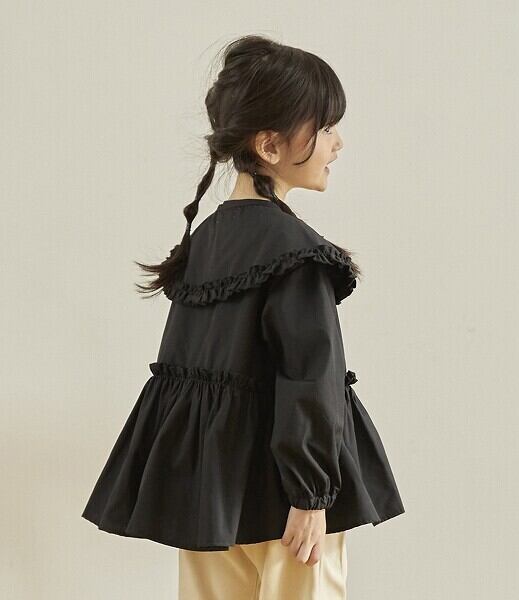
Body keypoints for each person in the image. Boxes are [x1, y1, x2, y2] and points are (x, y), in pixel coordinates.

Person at [81, 34, 405, 599]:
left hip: (212, 499)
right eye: (326, 127)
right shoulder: (296, 253)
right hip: (287, 503)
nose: (338, 142)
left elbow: (188, 384)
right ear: (270, 145)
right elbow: (311, 379)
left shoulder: (204, 243)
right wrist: (311, 496)